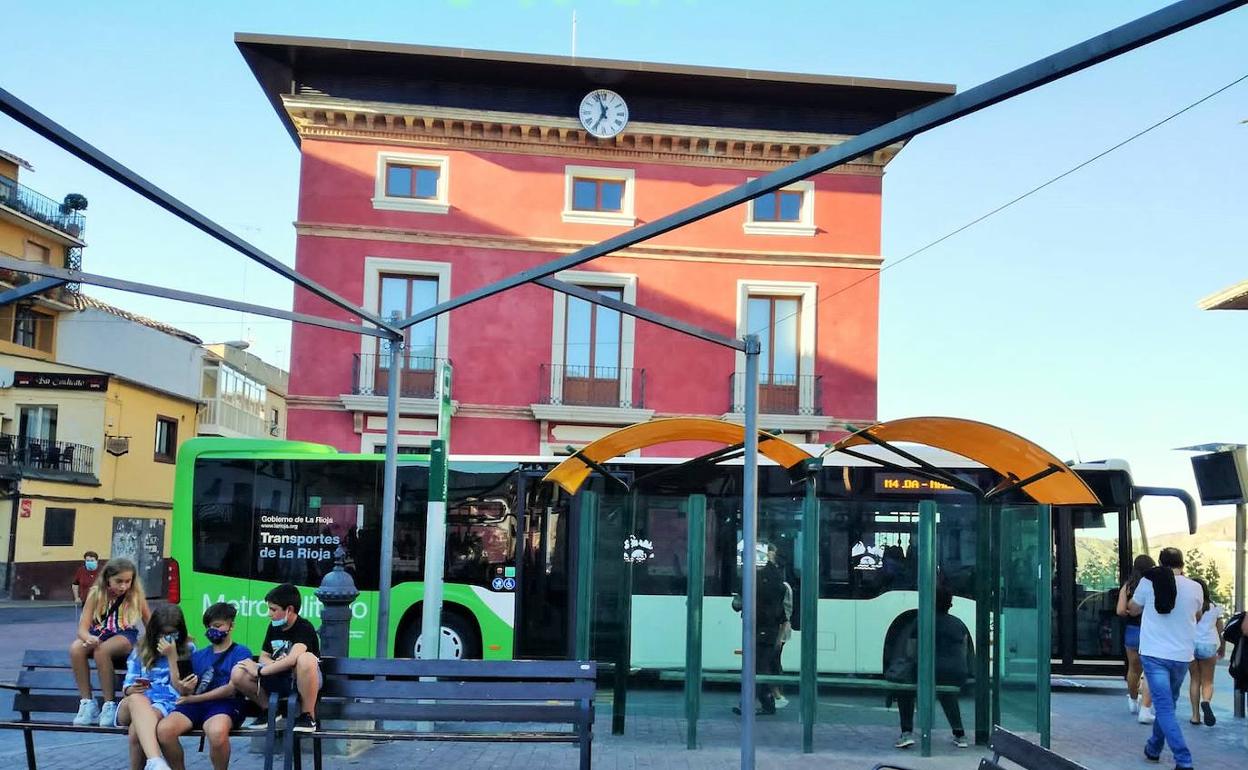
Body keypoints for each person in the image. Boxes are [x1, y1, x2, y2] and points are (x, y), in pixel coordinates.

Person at [1128, 547, 1203, 770]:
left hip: (1154, 654)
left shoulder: (1149, 582)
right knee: (1167, 703)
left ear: (1160, 563)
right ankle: (1153, 747)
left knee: (1164, 708)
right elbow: (1197, 615)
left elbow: (1133, 609)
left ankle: (1184, 760)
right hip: (1182, 656)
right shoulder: (1195, 587)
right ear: (1183, 564)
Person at [157, 602, 254, 770]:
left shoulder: (241, 652)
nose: (212, 630)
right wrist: (172, 658)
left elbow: (231, 689)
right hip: (195, 706)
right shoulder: (198, 655)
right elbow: (182, 689)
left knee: (217, 733)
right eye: (209, 627)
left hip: (226, 705)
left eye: (217, 625)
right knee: (164, 731)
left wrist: (193, 698)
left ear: (231, 626)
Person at [70, 557, 152, 726]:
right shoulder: (96, 593)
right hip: (99, 632)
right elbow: (82, 629)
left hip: (124, 634)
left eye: (128, 581)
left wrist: (150, 643)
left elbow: (150, 623)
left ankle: (109, 704)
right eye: (119, 581)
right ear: (108, 578)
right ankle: (87, 702)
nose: (123, 586)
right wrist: (88, 638)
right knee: (76, 648)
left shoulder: (135, 595)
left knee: (102, 650)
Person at [230, 583, 322, 732]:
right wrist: (272, 664)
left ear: (289, 609)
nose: (269, 613)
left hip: (301, 678)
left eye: (273, 609)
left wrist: (260, 672)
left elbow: (293, 659)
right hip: (278, 676)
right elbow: (263, 657)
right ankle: (270, 710)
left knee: (306, 659)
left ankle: (307, 716)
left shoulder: (304, 627)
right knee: (238, 671)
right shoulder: (273, 626)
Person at [116, 604, 196, 770]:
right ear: (154, 631)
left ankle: (155, 763)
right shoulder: (141, 649)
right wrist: (132, 689)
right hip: (132, 704)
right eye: (163, 634)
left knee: (136, 731)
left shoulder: (188, 649)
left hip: (165, 705)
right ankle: (155, 761)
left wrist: (172, 656)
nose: (167, 639)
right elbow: (127, 686)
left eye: (172, 634)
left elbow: (181, 690)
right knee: (137, 699)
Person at [892, 586, 971, 750]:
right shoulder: (959, 624)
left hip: (931, 671)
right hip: (957, 673)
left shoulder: (922, 620)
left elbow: (910, 652)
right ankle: (960, 734)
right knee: (947, 693)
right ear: (950, 604)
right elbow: (963, 652)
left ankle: (906, 732)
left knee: (904, 689)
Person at [731, 543, 787, 716]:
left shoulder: (754, 576)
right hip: (770, 628)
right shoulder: (775, 574)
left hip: (758, 627)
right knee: (761, 666)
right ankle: (760, 702)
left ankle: (760, 702)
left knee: (756, 667)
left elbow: (737, 603)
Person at [1117, 553, 1156, 722]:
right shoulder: (1154, 586)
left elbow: (1119, 611)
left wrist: (1129, 610)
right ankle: (1146, 707)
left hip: (1132, 631)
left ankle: (1133, 700)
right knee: (1150, 670)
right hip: (1150, 632)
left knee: (1133, 669)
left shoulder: (1128, 587)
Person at [1187, 577, 1224, 727]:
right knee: (1208, 681)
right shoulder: (1216, 608)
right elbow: (1221, 630)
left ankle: (1195, 716)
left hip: (1191, 645)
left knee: (1195, 679)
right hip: (1208, 645)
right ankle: (1206, 701)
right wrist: (1222, 646)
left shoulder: (1189, 607)